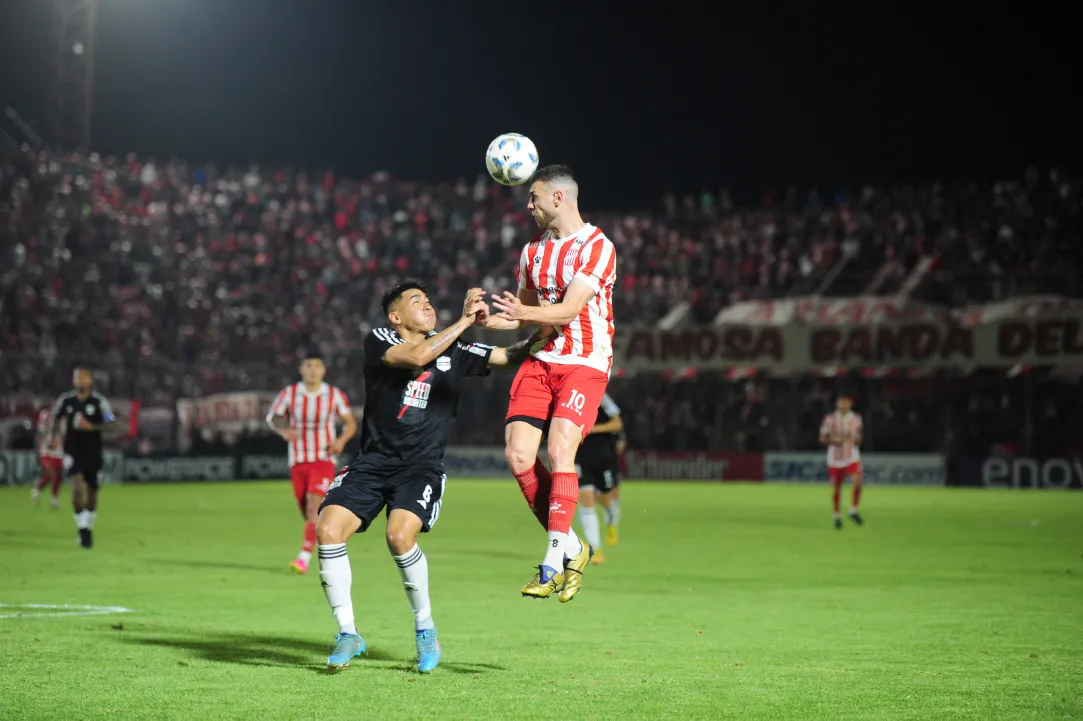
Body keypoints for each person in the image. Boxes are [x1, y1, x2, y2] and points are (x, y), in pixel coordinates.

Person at [315, 281, 540, 673]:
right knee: (328, 531)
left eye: (429, 299)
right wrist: (467, 321)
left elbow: (509, 356)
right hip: (371, 462)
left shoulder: (456, 346)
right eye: (416, 301)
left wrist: (544, 327)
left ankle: (425, 630)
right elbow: (418, 354)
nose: (428, 304)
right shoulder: (380, 338)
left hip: (420, 467)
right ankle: (348, 633)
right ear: (396, 316)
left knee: (400, 536)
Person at [485, 164, 618, 602]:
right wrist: (488, 318)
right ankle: (574, 545)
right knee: (518, 454)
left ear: (558, 198)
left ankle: (550, 561)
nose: (528, 206)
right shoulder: (531, 253)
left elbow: (565, 312)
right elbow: (522, 314)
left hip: (584, 362)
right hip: (542, 360)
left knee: (561, 450)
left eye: (534, 197)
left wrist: (522, 315)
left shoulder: (597, 246)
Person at [266, 352, 357, 575]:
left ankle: (303, 558)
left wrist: (341, 440)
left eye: (317, 366)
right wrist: (284, 431)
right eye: (309, 366)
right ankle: (328, 541)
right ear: (302, 369)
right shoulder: (290, 393)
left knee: (313, 506)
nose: (313, 370)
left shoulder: (334, 395)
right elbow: (273, 417)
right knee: (308, 513)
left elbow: (350, 423)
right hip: (298, 459)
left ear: (324, 370)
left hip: (323, 458)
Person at [49, 366, 117, 549]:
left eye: (84, 377)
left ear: (90, 381)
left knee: (92, 492)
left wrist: (92, 427)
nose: (80, 381)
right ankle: (82, 528)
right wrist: (52, 437)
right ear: (73, 381)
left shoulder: (99, 402)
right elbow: (55, 419)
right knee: (77, 484)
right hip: (73, 451)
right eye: (77, 378)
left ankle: (88, 524)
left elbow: (111, 425)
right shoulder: (66, 401)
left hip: (93, 452)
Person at [573, 392, 624, 561]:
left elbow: (617, 424)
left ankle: (611, 518)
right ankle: (595, 548)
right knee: (587, 498)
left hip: (604, 457)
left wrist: (592, 429)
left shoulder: (601, 397)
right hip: (580, 456)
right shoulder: (567, 398)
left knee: (605, 498)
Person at [819, 393, 864, 529]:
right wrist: (833, 441)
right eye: (841, 402)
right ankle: (837, 516)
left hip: (851, 456)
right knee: (837, 487)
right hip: (835, 459)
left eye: (846, 402)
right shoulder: (830, 419)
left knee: (857, 482)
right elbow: (822, 438)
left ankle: (853, 510)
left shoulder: (856, 419)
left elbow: (858, 437)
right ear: (837, 404)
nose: (843, 404)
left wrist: (857, 440)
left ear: (850, 404)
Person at [32, 406, 65, 509]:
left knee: (57, 476)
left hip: (58, 452)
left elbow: (63, 434)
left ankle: (40, 489)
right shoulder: (46, 415)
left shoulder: (63, 420)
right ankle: (53, 499)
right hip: (46, 452)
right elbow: (40, 435)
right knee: (51, 473)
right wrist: (38, 451)